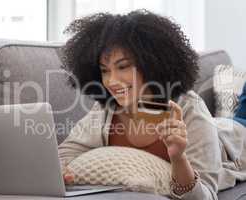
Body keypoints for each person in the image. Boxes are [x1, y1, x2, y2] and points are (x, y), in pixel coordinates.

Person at [58, 9, 246, 200]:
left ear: (151, 63)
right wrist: (60, 169)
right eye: (105, 70)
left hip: (236, 138)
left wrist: (178, 158)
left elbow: (205, 196)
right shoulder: (107, 108)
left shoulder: (189, 108)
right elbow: (66, 152)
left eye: (123, 66)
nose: (112, 81)